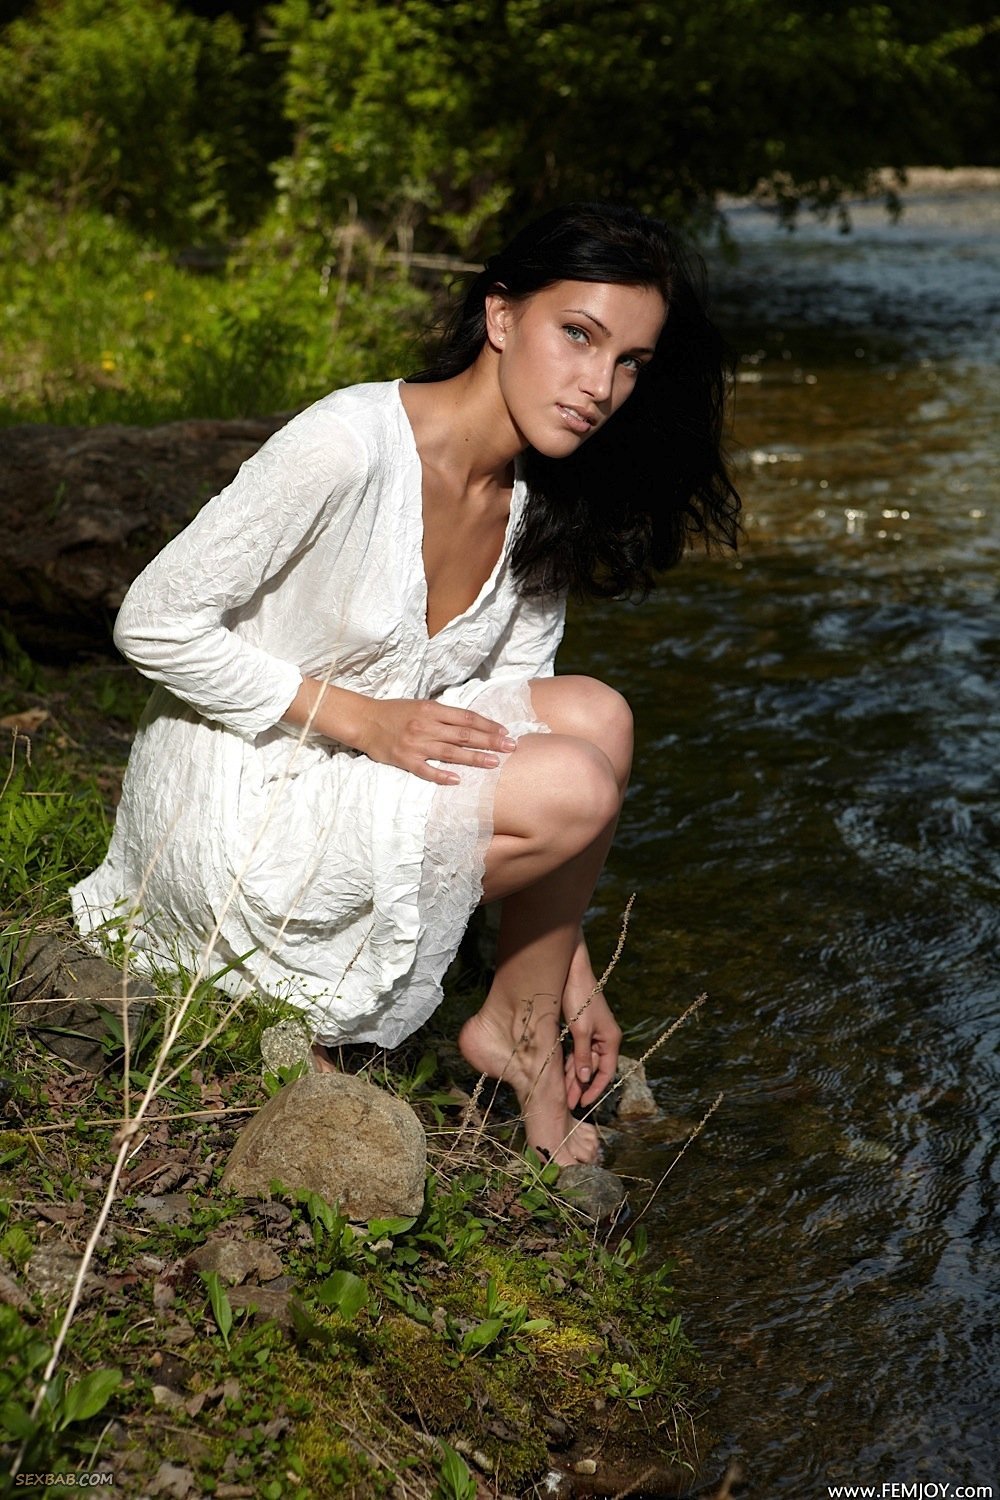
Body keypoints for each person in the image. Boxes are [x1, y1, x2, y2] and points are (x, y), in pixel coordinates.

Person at [71, 202, 739, 1166]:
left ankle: (518, 1024)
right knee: (576, 782)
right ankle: (495, 1041)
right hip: (240, 794)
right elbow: (152, 620)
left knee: (599, 718)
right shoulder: (349, 444)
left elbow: (519, 731)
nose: (600, 386)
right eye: (578, 335)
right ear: (501, 316)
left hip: (360, 769)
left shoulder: (537, 500)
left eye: (630, 361)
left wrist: (570, 968)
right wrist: (360, 719)